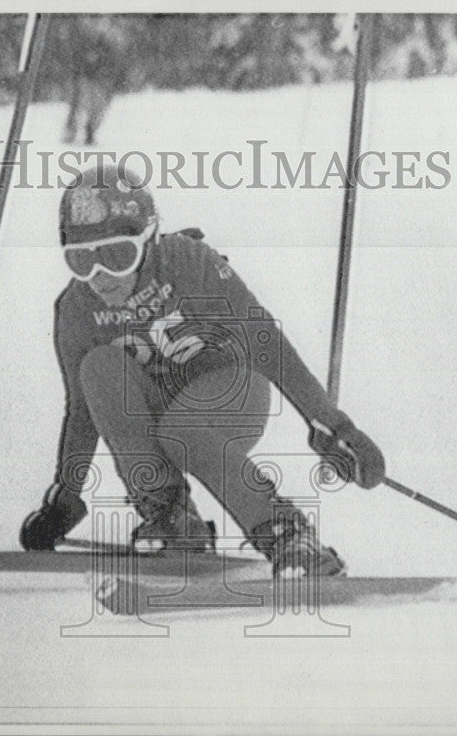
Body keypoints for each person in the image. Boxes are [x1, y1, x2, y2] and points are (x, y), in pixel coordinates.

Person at [20, 164, 385, 575]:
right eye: (81, 261)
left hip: (229, 391)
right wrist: (66, 497)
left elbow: (264, 340)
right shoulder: (76, 309)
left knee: (184, 431)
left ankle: (285, 532)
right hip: (158, 406)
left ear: (149, 240)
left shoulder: (186, 261)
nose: (100, 276)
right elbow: (84, 412)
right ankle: (174, 520)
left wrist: (332, 424)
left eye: (117, 255)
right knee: (98, 368)